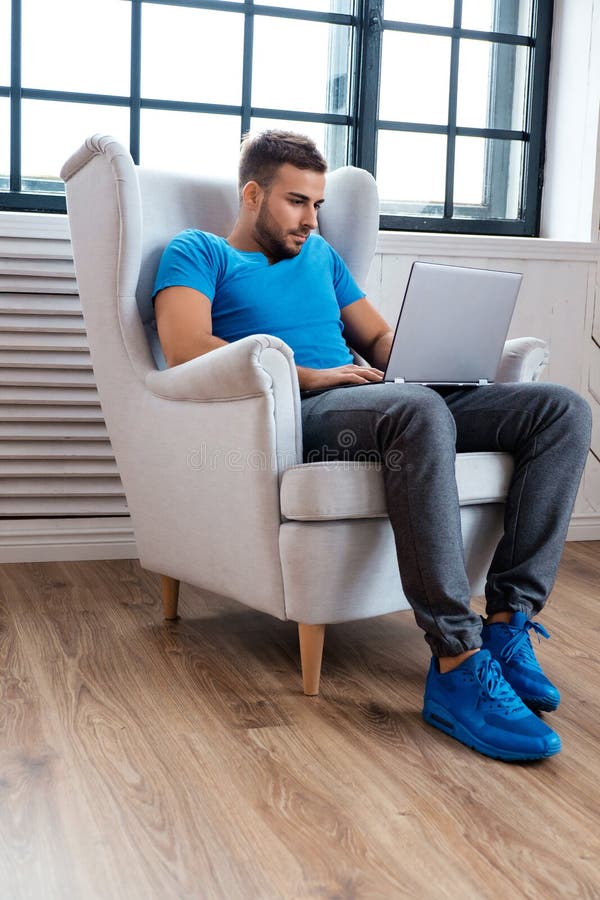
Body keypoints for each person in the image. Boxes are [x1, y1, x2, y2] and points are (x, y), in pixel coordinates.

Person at [152, 130, 592, 762]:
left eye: (317, 204)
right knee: (414, 410)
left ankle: (507, 625)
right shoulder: (198, 252)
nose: (311, 218)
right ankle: (455, 661)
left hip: (380, 397)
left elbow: (380, 340)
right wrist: (311, 375)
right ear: (252, 195)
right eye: (296, 202)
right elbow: (184, 345)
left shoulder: (322, 256)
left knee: (560, 410)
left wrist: (439, 359)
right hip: (304, 411)